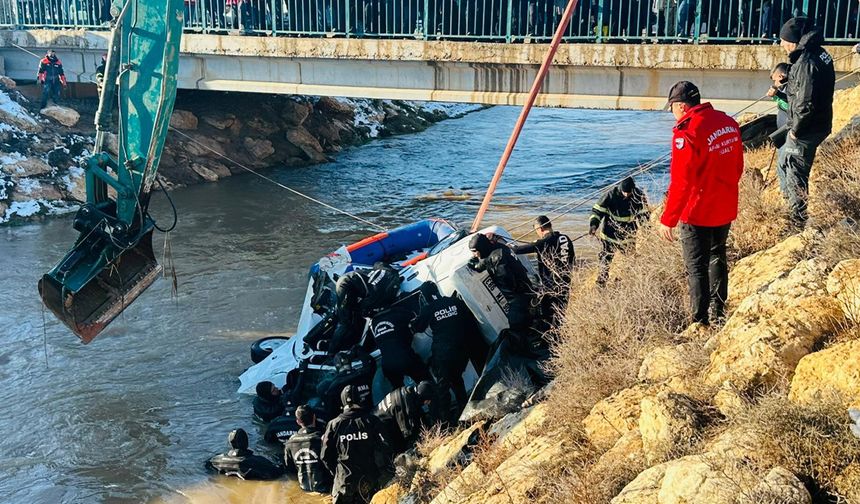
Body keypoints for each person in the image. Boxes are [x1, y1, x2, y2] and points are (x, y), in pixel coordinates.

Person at [658, 81, 744, 327]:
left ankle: (700, 321)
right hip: (724, 204)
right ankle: (719, 312)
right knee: (718, 256)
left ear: (681, 106)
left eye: (672, 108)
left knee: (696, 267)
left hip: (697, 211)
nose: (672, 113)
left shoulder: (687, 132)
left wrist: (668, 219)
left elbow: (681, 181)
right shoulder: (727, 122)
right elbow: (737, 165)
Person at [776, 17, 835, 228]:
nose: (781, 44)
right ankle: (791, 211)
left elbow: (805, 103)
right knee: (783, 160)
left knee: (794, 172)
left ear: (793, 40)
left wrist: (795, 131)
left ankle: (796, 221)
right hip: (818, 123)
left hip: (806, 129)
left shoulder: (805, 62)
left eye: (783, 40)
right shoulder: (819, 53)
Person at [411, 282, 488, 418]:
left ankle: (446, 422)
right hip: (463, 351)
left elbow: (418, 327)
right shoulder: (455, 302)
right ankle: (465, 410)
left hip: (443, 353)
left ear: (425, 296)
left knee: (443, 388)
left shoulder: (429, 308)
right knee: (456, 378)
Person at [322, 384, 393, 504]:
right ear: (360, 400)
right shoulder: (371, 420)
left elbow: (325, 456)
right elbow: (386, 447)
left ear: (343, 402)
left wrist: (337, 473)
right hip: (368, 479)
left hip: (343, 482)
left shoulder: (333, 424)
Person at [510, 215, 575, 322]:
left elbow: (518, 250)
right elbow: (572, 260)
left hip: (551, 287)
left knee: (547, 317)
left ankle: (549, 331)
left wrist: (507, 246)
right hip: (566, 283)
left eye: (536, 231)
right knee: (560, 315)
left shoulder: (544, 242)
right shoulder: (566, 239)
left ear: (540, 228)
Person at [468, 233, 534, 333]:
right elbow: (486, 261)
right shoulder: (498, 247)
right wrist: (477, 265)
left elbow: (507, 281)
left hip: (518, 294)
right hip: (526, 286)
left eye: (475, 252)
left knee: (516, 324)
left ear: (481, 248)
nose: (474, 255)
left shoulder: (497, 258)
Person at [589, 177, 649, 286]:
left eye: (629, 192)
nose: (626, 194)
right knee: (605, 261)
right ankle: (601, 283)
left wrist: (646, 230)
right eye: (624, 192)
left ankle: (626, 282)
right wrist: (594, 225)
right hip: (609, 235)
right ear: (620, 189)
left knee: (630, 260)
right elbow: (597, 211)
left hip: (628, 236)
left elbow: (644, 214)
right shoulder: (610, 195)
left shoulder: (638, 195)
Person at [330, 264, 401, 355]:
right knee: (345, 323)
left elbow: (377, 264)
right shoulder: (379, 292)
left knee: (352, 315)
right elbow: (366, 307)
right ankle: (331, 352)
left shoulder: (389, 271)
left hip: (350, 279)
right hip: (346, 285)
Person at [370, 305, 431, 389]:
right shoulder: (399, 313)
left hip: (388, 365)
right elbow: (416, 317)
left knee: (398, 393)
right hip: (405, 358)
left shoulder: (374, 322)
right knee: (427, 384)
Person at [374, 381, 439, 453]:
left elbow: (420, 416)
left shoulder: (409, 392)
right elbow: (407, 432)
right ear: (422, 397)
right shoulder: (405, 405)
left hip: (384, 419)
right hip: (379, 426)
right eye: (427, 400)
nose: (428, 403)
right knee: (401, 448)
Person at [285, 405, 333, 494]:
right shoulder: (323, 439)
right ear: (314, 417)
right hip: (325, 489)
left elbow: (290, 470)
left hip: (304, 489)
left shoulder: (289, 443)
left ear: (298, 421)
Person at [205, 428, 284, 480]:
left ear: (230, 444)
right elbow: (278, 473)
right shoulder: (258, 461)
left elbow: (207, 467)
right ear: (246, 443)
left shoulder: (215, 460)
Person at [767, 62, 791, 130]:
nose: (775, 83)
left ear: (781, 77)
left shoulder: (793, 87)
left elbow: (793, 101)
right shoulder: (782, 87)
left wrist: (777, 93)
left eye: (775, 80)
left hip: (789, 125)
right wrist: (774, 95)